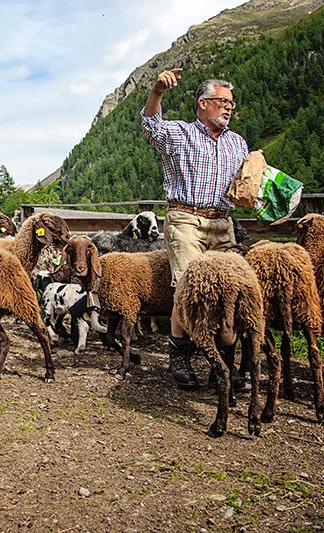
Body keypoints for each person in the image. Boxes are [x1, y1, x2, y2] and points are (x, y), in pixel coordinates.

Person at [141, 68, 249, 389]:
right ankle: (181, 355)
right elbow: (150, 126)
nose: (228, 107)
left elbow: (247, 184)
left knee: (230, 291)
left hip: (222, 221)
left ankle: (223, 367)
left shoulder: (238, 144)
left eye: (231, 103)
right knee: (189, 286)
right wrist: (157, 91)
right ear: (203, 104)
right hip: (185, 219)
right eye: (222, 101)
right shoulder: (180, 134)